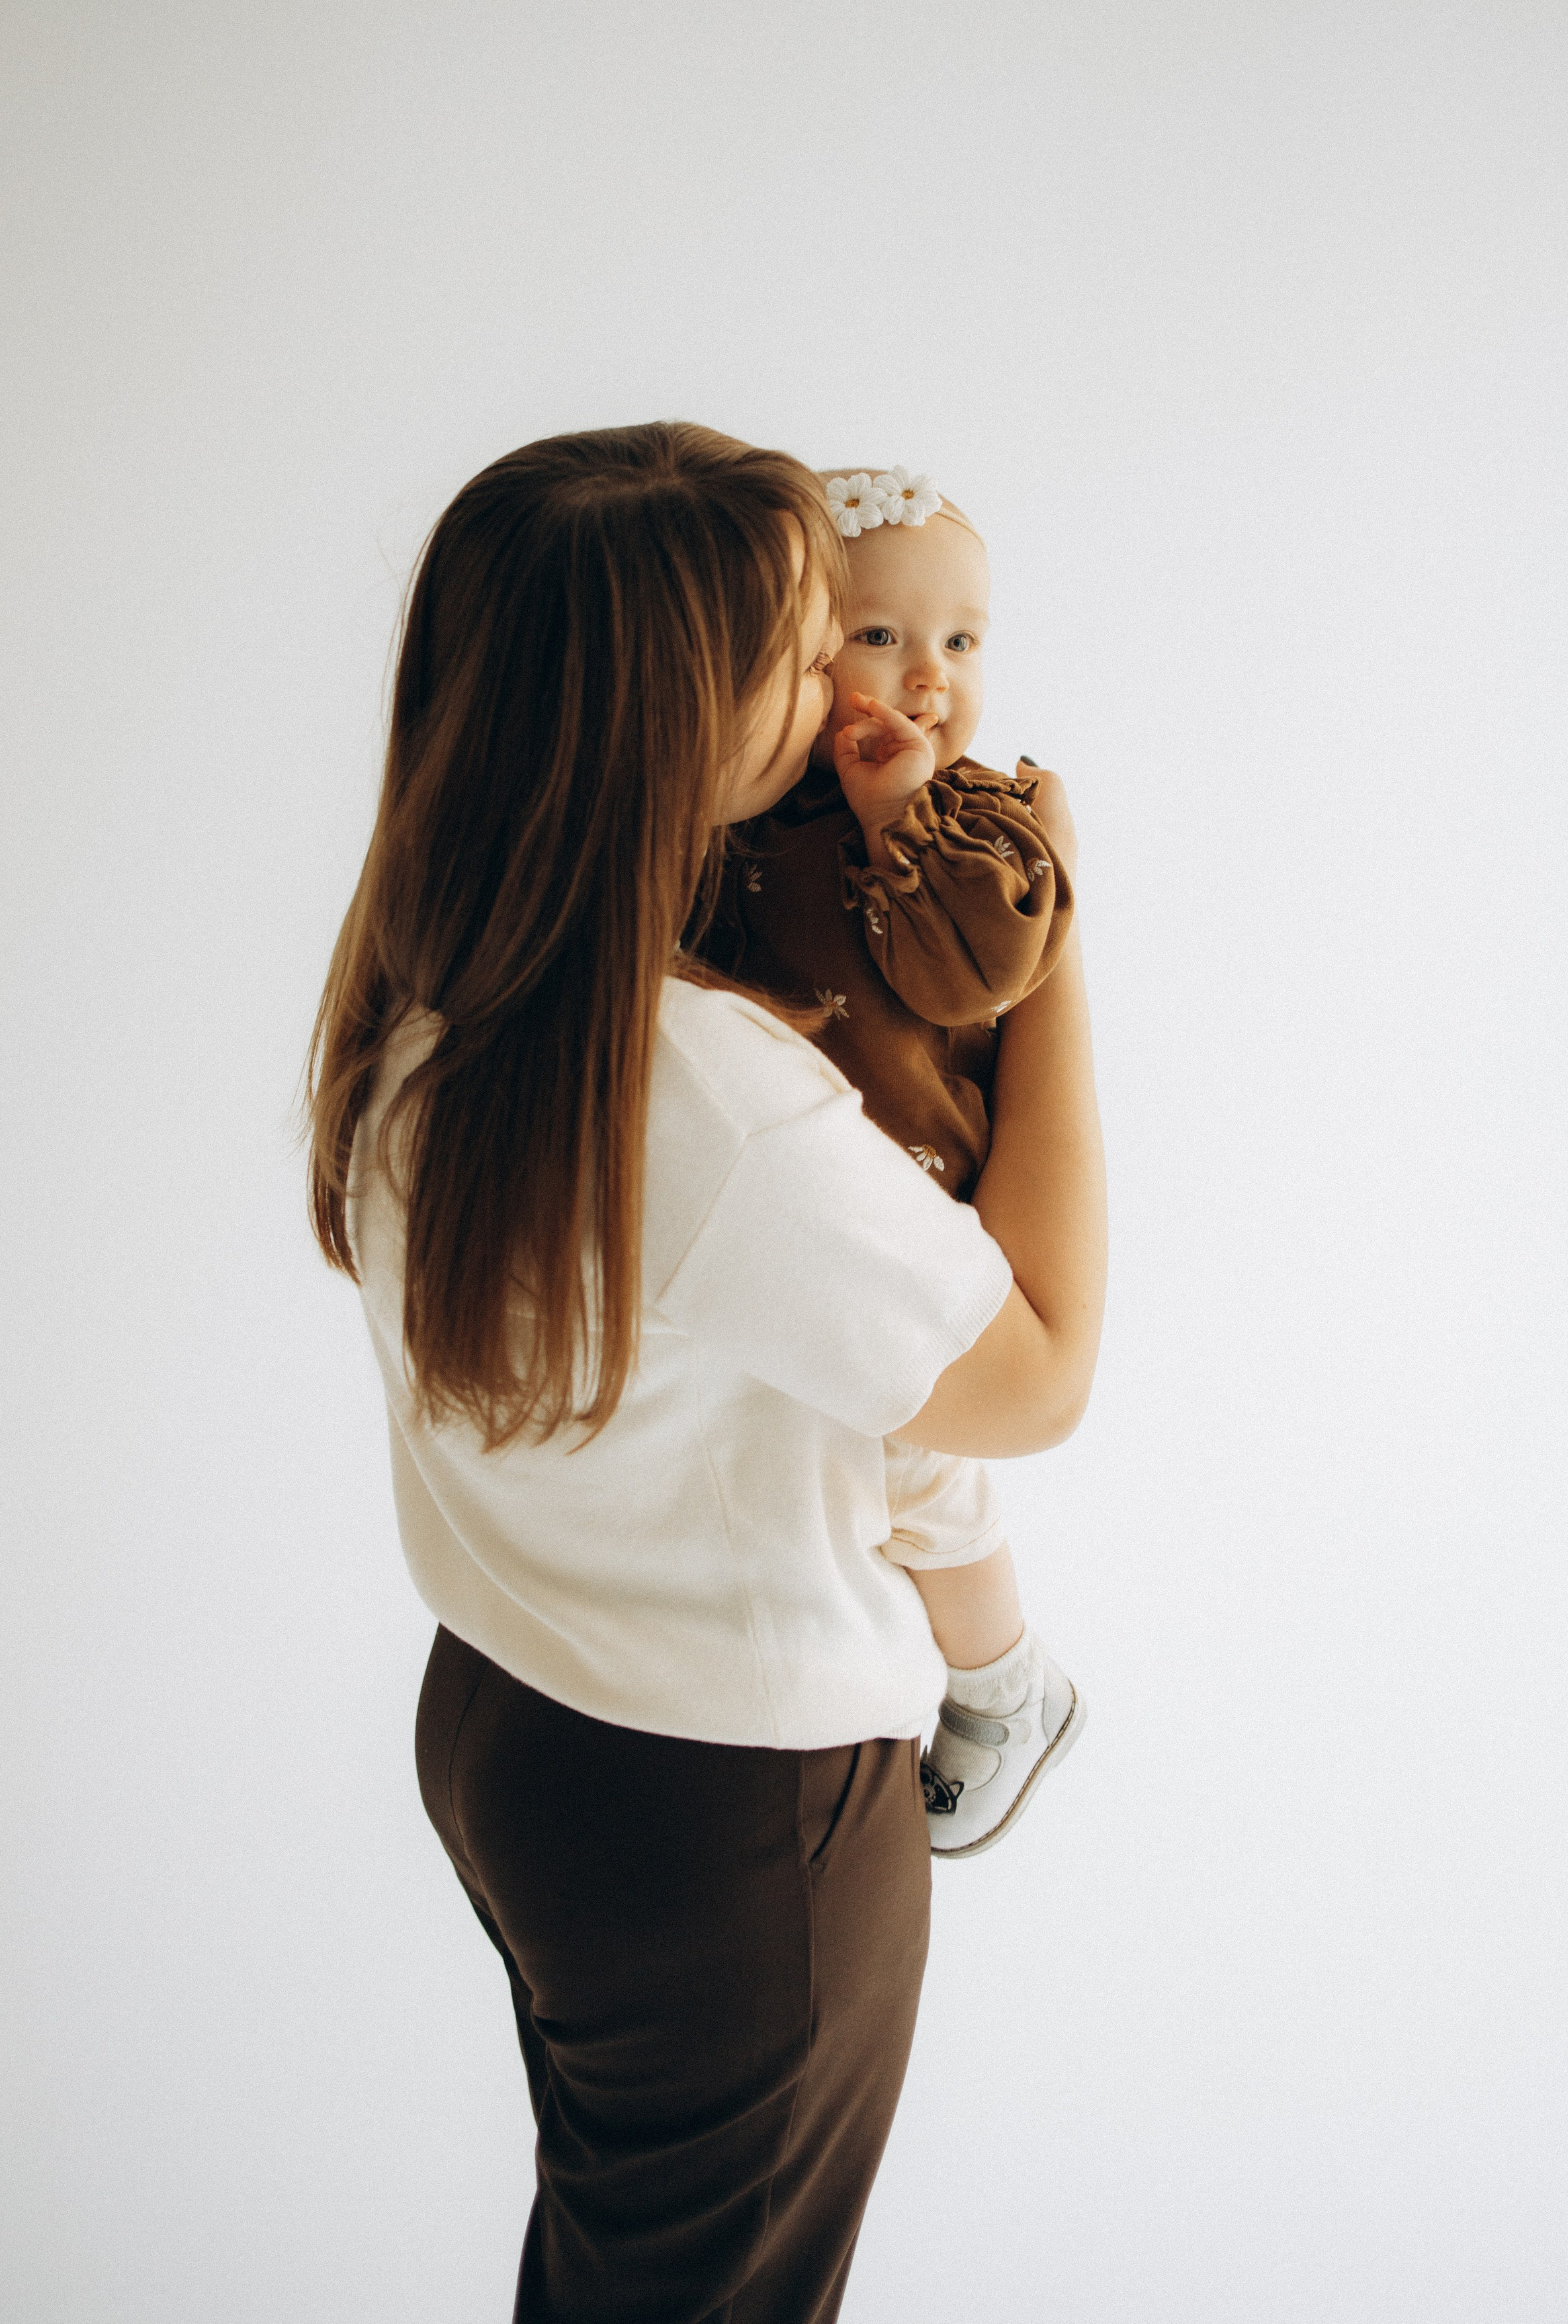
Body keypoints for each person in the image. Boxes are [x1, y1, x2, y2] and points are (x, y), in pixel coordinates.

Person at [306, 423, 1106, 2323]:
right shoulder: (715, 1098)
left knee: (622, 2274)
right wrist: (1055, 927)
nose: (849, 664)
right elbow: (1036, 1375)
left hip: (516, 1732)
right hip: (733, 1827)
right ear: (688, 716)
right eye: (799, 637)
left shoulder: (439, 989)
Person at [706, 464, 1090, 1857]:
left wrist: (897, 823)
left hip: (915, 1195)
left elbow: (980, 968)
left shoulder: (984, 822)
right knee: (836, 1447)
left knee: (911, 1454)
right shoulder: (745, 819)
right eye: (879, 637)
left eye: (962, 641)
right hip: (794, 1205)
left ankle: (1002, 1682)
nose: (927, 678)